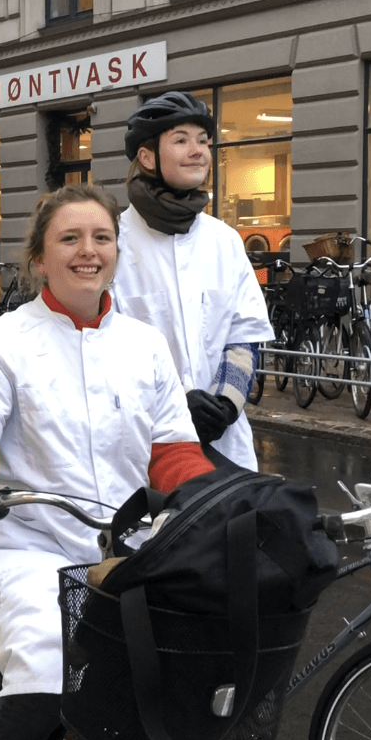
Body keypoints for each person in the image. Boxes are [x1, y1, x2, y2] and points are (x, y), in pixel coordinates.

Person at [0, 184, 214, 740]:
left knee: (178, 676)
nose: (88, 250)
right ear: (39, 260)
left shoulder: (145, 345)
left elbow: (174, 453)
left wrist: (216, 509)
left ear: (117, 253)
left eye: (102, 238)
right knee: (48, 686)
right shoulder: (3, 341)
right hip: (30, 547)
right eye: (70, 238)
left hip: (128, 549)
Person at [111, 91, 274, 470]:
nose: (198, 150)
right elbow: (107, 344)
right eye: (181, 140)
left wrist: (226, 403)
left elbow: (243, 335)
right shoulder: (113, 242)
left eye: (203, 141)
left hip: (225, 444)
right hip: (145, 444)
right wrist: (177, 401)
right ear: (147, 157)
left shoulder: (224, 240)